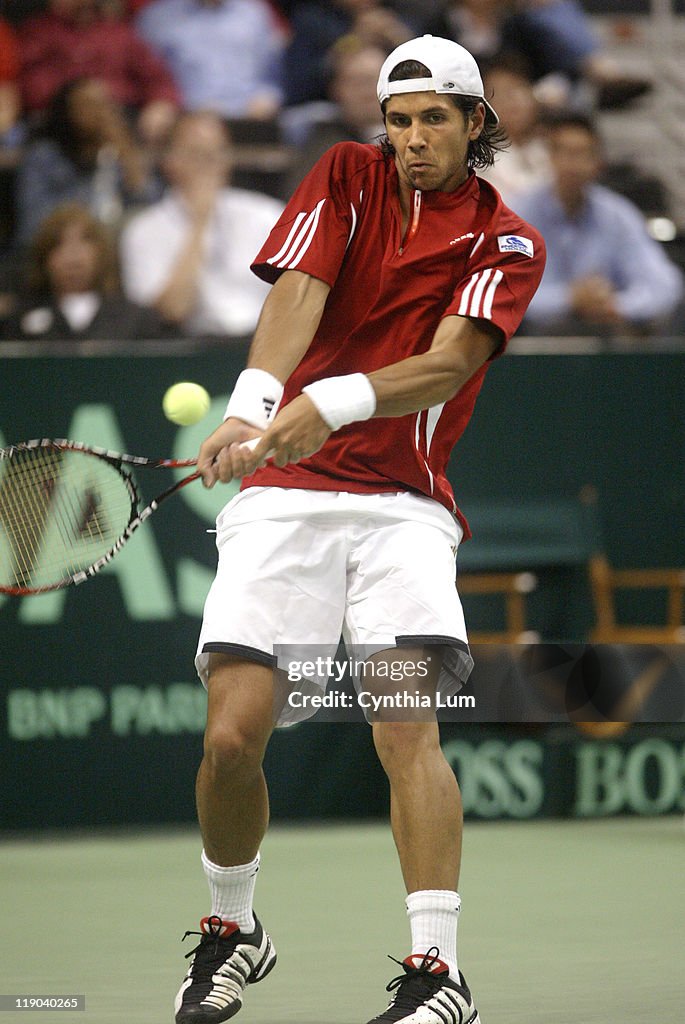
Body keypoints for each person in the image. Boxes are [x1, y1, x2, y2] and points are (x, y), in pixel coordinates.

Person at [173, 33, 545, 1024]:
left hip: (401, 520)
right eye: (398, 118)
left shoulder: (506, 242)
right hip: (282, 506)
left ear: (476, 124)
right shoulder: (345, 174)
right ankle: (231, 930)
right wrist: (255, 405)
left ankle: (437, 973)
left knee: (403, 729)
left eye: (434, 119)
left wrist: (326, 404)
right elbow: (298, 293)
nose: (413, 137)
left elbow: (446, 365)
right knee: (228, 739)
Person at [514, 112, 683, 335]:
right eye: (564, 152)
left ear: (597, 162)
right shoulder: (519, 214)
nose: (572, 164)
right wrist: (570, 299)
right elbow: (506, 291)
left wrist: (618, 305)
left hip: (606, 336)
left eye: (582, 153)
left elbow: (664, 283)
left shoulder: (617, 214)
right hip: (532, 345)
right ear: (550, 156)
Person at [120, 110, 284, 337]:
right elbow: (171, 312)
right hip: (189, 349)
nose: (209, 164)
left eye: (217, 153)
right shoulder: (144, 231)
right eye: (196, 153)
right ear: (169, 161)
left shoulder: (268, 215)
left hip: (267, 343)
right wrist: (200, 223)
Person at [15, 76, 163, 246]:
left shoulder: (117, 150)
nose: (99, 112)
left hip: (112, 241)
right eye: (88, 105)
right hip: (61, 244)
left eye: (105, 104)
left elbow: (151, 205)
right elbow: (32, 223)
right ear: (67, 111)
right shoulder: (44, 156)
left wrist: (127, 155)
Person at [2, 202, 174, 341]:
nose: (73, 257)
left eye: (84, 243)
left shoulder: (135, 319)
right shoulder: (19, 321)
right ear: (45, 258)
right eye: (59, 245)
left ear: (101, 253)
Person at [17, 0, 179, 146]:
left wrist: (160, 103)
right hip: (62, 122)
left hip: (120, 115)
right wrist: (80, 95)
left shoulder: (118, 32)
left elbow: (158, 77)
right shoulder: (39, 32)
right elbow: (32, 85)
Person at [136, 0, 287, 122]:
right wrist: (168, 103)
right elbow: (148, 77)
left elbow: (272, 73)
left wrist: (268, 96)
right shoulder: (157, 18)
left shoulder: (254, 12)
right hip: (187, 116)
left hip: (251, 113)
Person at [284, 36, 387, 195]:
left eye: (376, 80)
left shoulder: (418, 136)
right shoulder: (324, 148)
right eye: (357, 82)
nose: (368, 92)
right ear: (335, 90)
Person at [478, 54, 552, 207]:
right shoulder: (477, 161)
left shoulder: (554, 147)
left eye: (517, 89)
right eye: (499, 93)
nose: (510, 100)